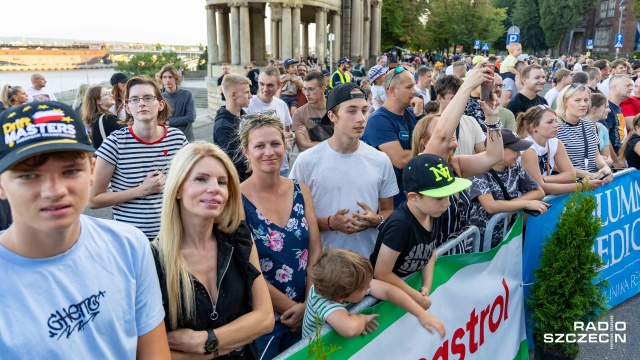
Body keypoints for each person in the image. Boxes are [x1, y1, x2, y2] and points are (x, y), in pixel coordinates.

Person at [0, 101, 170, 358]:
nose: (55, 191)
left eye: (70, 171)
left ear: (91, 172)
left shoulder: (130, 246)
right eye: (28, 175)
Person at [151, 142, 273, 359]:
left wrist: (205, 341)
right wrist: (234, 339)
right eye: (201, 179)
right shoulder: (151, 259)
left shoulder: (240, 239)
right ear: (178, 188)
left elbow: (265, 319)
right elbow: (152, 352)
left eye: (222, 182)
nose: (215, 188)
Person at [239, 114, 321, 358]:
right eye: (259, 146)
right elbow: (243, 267)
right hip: (264, 320)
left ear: (286, 146)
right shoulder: (236, 199)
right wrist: (292, 309)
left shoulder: (300, 189)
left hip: (308, 308)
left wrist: (309, 303)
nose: (269, 152)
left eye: (275, 144)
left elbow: (315, 249)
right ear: (246, 151)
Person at [289, 83, 398, 257]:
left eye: (364, 110)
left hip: (367, 263)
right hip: (322, 265)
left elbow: (388, 210)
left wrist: (376, 220)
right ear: (332, 115)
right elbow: (293, 218)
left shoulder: (380, 160)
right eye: (352, 111)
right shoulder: (306, 161)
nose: (361, 118)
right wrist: (330, 223)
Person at [89, 76, 188, 240]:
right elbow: (93, 200)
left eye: (148, 98)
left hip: (172, 238)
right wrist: (141, 190)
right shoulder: (114, 143)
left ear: (161, 104)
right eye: (134, 99)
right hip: (131, 240)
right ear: (127, 108)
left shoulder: (177, 139)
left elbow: (187, 185)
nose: (141, 103)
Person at [418, 62, 503, 253]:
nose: (448, 132)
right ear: (424, 141)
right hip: (432, 258)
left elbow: (494, 156)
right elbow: (442, 134)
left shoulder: (455, 164)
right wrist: (467, 85)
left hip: (457, 253)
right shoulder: (423, 165)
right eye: (440, 129)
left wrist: (492, 118)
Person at [370, 154, 472, 309]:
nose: (447, 203)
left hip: (408, 291)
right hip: (384, 301)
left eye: (448, 196)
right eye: (439, 198)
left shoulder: (434, 212)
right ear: (413, 196)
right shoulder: (400, 225)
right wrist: (415, 296)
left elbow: (430, 250)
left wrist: (426, 285)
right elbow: (382, 273)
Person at [302, 248, 445, 339]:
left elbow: (389, 291)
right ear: (340, 298)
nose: (369, 286)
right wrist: (362, 319)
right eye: (363, 289)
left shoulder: (349, 285)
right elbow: (350, 329)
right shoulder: (323, 302)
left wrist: (421, 314)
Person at [467, 129, 547, 248]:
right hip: (479, 244)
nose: (519, 154)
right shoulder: (478, 169)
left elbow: (539, 191)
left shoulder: (515, 167)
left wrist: (514, 203)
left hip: (506, 238)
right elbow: (490, 206)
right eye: (515, 150)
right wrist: (525, 203)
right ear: (498, 150)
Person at [362, 66, 418, 208]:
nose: (415, 91)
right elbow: (401, 160)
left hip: (406, 197)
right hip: (387, 205)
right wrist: (433, 150)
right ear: (392, 91)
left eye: (414, 86)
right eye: (409, 87)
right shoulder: (378, 120)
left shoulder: (409, 113)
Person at [518, 105, 602, 195]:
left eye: (555, 121)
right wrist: (581, 186)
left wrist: (545, 179)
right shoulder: (529, 149)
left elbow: (571, 175)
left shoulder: (555, 142)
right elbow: (540, 187)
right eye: (550, 122)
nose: (556, 125)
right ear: (534, 127)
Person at [555, 84, 614, 181]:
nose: (583, 104)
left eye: (586, 100)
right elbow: (555, 165)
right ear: (565, 102)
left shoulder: (589, 125)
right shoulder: (555, 126)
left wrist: (605, 167)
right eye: (577, 100)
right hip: (568, 186)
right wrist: (588, 174)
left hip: (591, 183)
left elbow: (595, 155)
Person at [246, 67, 294, 177]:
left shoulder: (281, 105)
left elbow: (287, 131)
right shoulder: (248, 105)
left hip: (282, 167)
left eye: (270, 85)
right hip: (259, 168)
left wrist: (288, 148)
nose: (264, 89)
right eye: (261, 84)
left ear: (279, 85)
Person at [214, 74, 253, 182]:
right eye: (246, 92)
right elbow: (245, 166)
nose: (251, 96)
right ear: (234, 94)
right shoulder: (223, 127)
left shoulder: (244, 117)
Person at [434, 75, 485, 156]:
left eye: (462, 98)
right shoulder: (430, 124)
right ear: (439, 98)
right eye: (454, 98)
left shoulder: (471, 121)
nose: (460, 102)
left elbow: (484, 152)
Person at [293, 71, 329, 152]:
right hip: (311, 163)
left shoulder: (335, 109)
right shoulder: (299, 113)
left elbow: (342, 143)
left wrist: (310, 142)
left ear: (323, 89)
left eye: (311, 89)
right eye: (304, 89)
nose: (306, 94)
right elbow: (303, 147)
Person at [160, 64, 196, 142]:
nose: (167, 80)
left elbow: (191, 117)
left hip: (186, 139)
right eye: (164, 77)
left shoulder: (187, 94)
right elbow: (159, 121)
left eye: (170, 77)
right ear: (162, 80)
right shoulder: (160, 98)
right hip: (169, 140)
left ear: (176, 79)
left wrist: (169, 122)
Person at [603, 74, 633, 159]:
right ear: (614, 87)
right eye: (628, 85)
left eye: (631, 85)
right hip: (613, 161)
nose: (631, 88)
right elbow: (605, 138)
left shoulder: (617, 107)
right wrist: (615, 161)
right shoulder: (606, 109)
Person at [586, 93, 614, 165]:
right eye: (606, 107)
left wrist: (602, 159)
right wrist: (600, 159)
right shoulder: (579, 127)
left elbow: (608, 159)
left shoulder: (602, 128)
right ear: (594, 109)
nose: (609, 110)